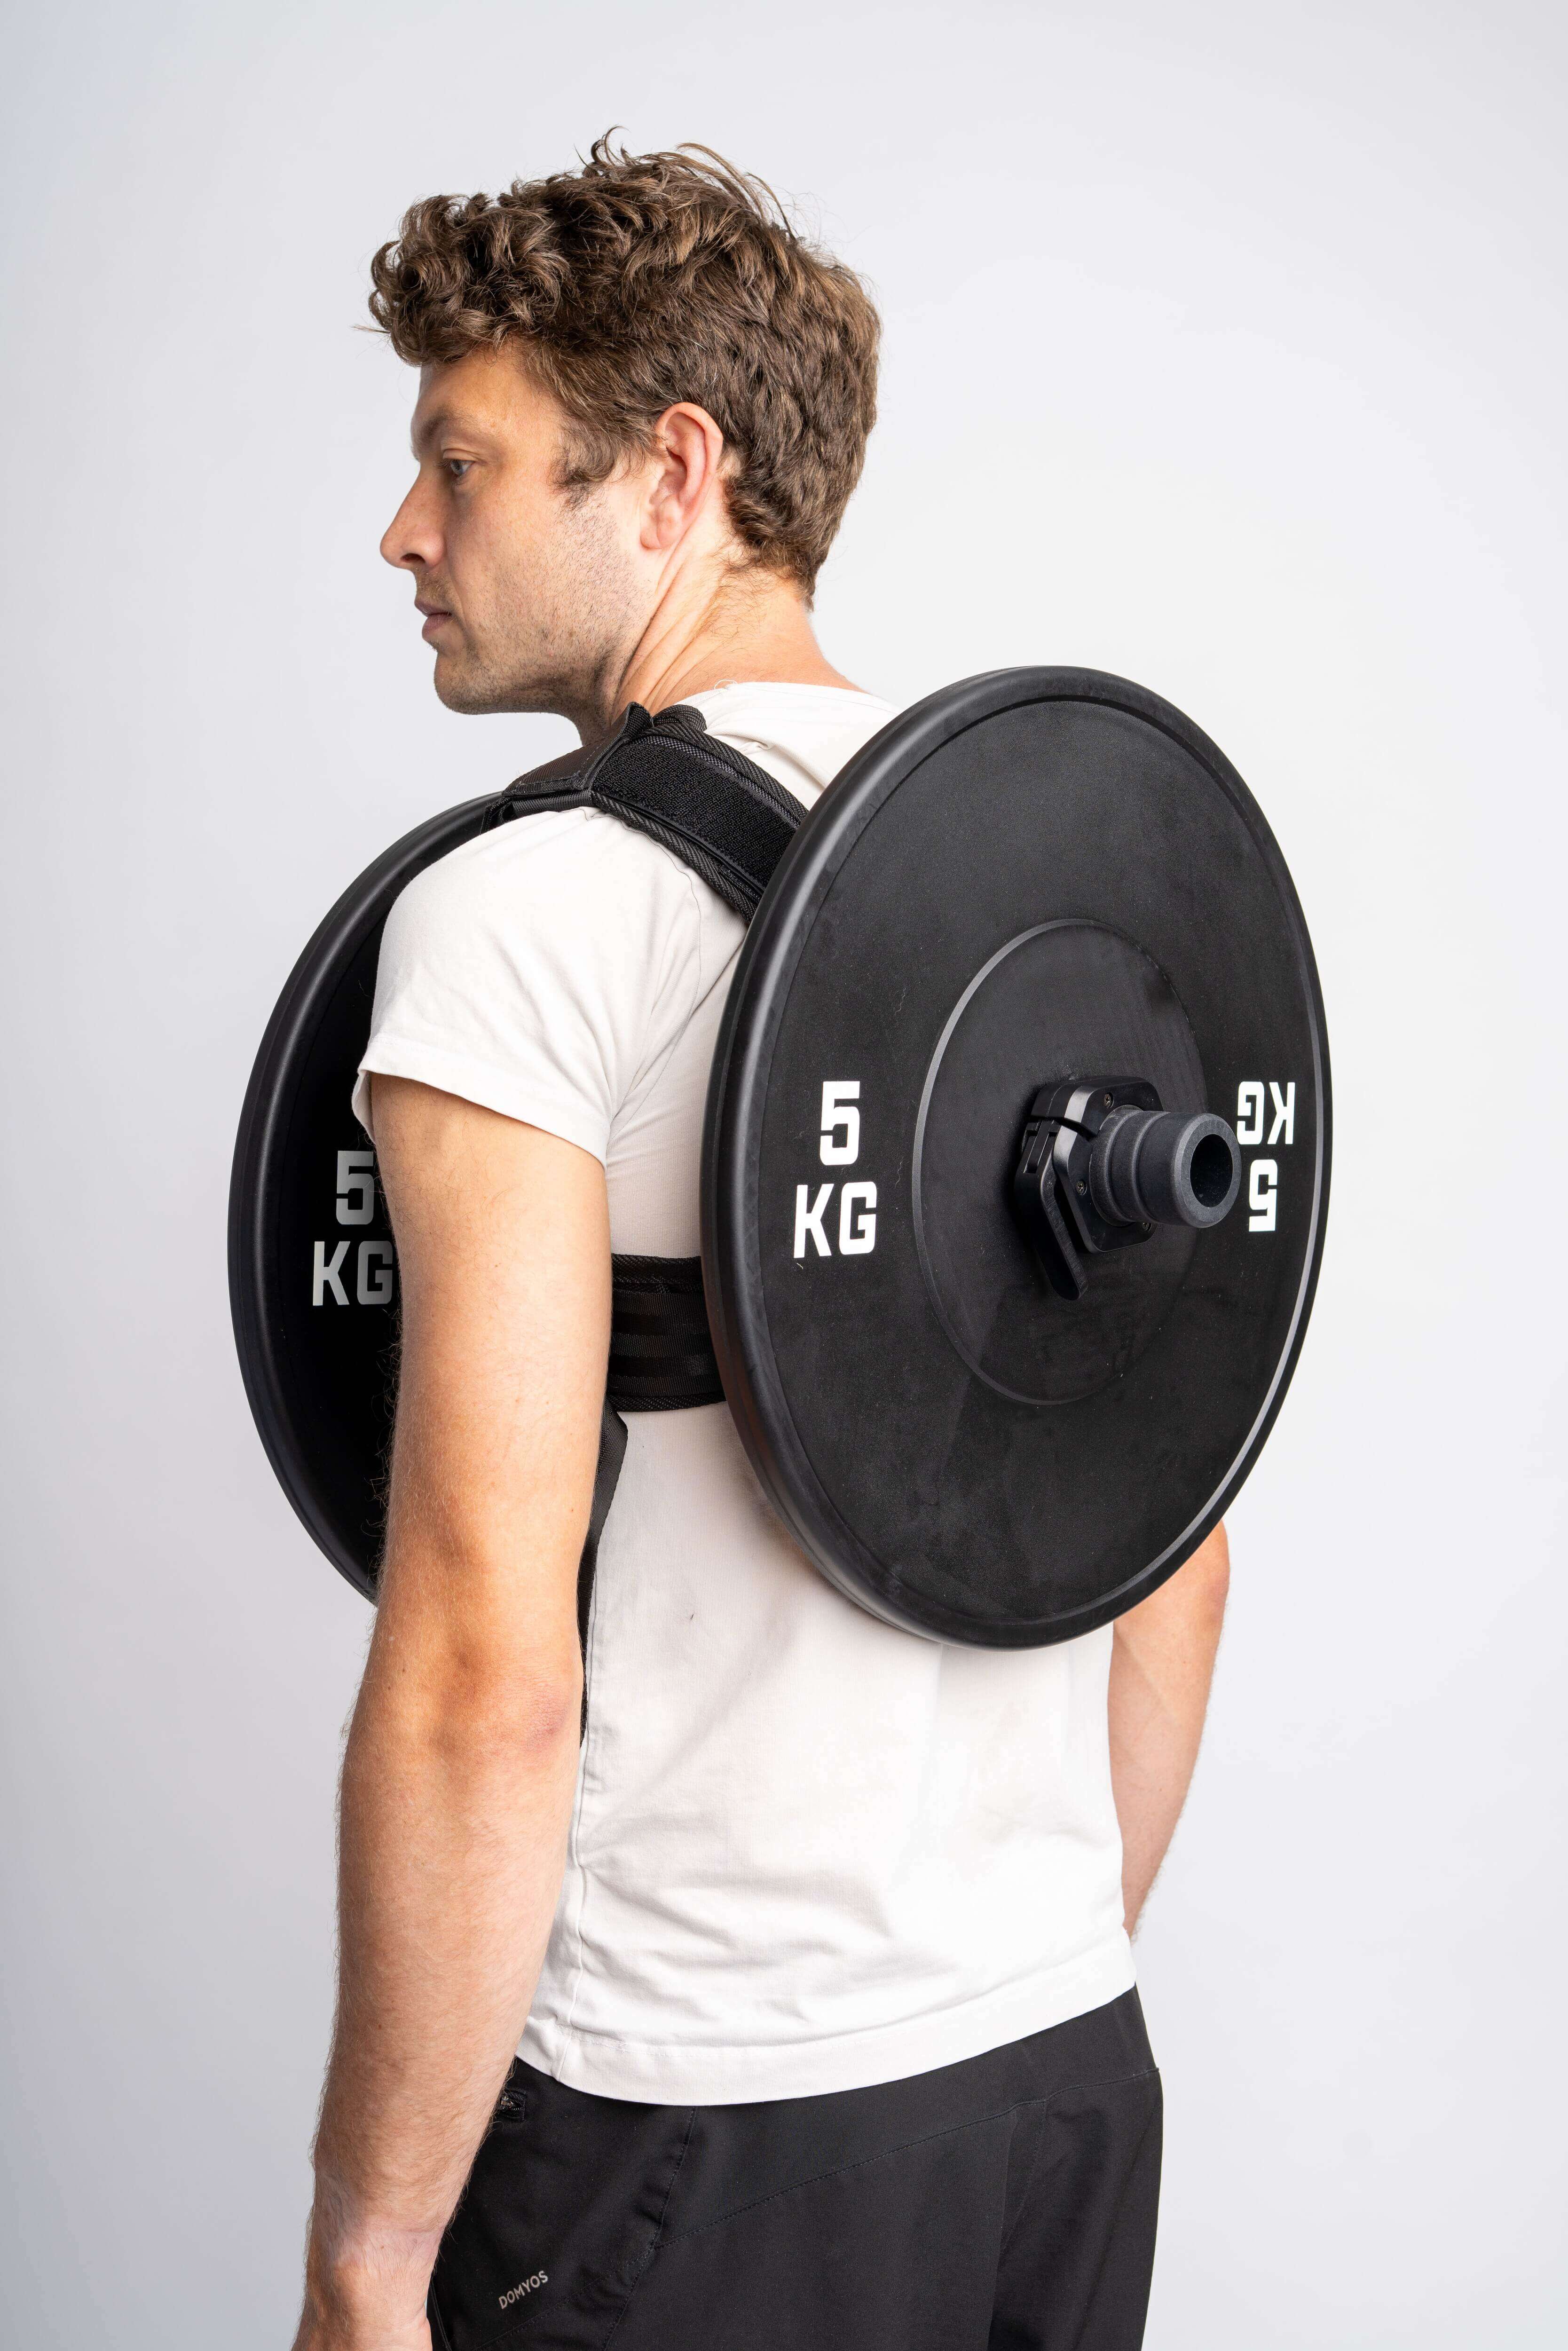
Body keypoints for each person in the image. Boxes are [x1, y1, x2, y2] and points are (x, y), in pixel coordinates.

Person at [291, 141, 1230, 2351]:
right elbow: (1169, 1519)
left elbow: (479, 1676)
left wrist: (368, 2254)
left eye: (459, 461)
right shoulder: (1045, 891)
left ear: (671, 475)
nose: (408, 532)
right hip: (1056, 2081)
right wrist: (1022, 1947)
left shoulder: (528, 918)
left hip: (686, 2131)